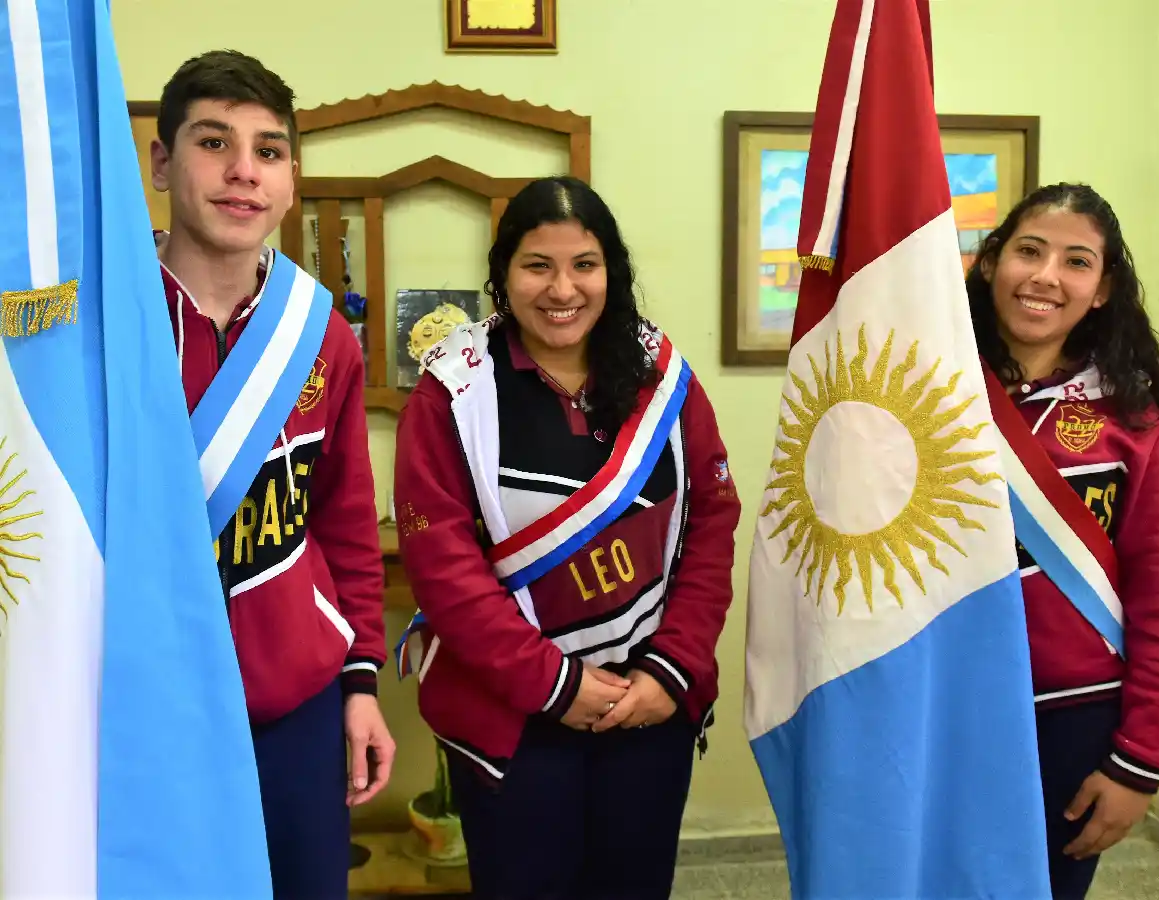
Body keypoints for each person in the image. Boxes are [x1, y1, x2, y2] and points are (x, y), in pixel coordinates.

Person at [392, 175, 740, 899]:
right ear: (502, 274)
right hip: (515, 715)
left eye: (584, 264)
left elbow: (711, 520)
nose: (562, 289)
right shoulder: (453, 390)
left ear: (612, 270)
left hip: (647, 705)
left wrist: (670, 669)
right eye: (537, 265)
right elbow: (444, 567)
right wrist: (556, 685)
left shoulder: (661, 375)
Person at [149, 50, 395, 898]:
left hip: (294, 708)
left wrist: (361, 682)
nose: (242, 171)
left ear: (291, 176)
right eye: (213, 142)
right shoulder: (104, 326)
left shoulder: (321, 334)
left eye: (268, 149)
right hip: (142, 708)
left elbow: (345, 523)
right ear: (160, 161)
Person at [966, 182, 1159, 898]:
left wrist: (1143, 761)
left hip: (1070, 720)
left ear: (1101, 291)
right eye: (1029, 251)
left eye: (1076, 261)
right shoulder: (923, 389)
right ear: (989, 263)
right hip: (932, 704)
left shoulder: (1131, 416)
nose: (1045, 277)